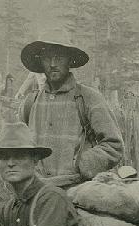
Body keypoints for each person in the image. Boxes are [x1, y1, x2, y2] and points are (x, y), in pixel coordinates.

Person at [19, 39, 124, 189]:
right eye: (47, 58)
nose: (53, 63)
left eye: (59, 57)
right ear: (41, 62)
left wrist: (82, 164)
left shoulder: (88, 98)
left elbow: (114, 145)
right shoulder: (31, 102)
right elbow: (19, 147)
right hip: (38, 191)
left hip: (76, 191)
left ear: (69, 60)